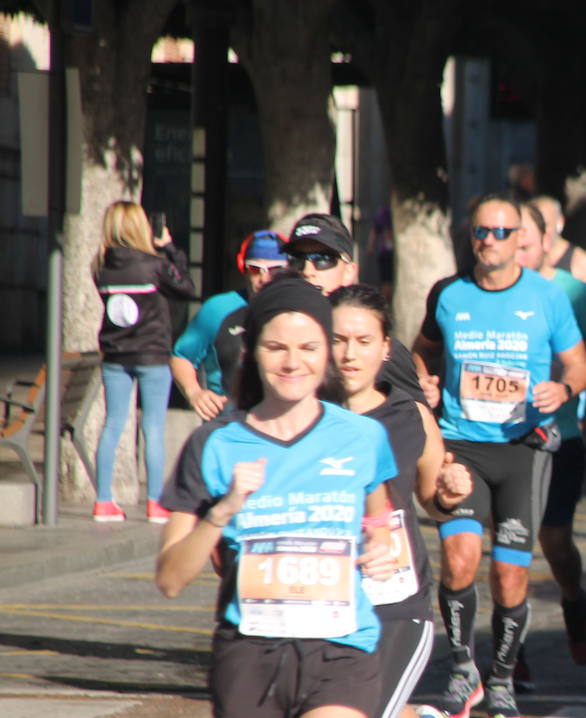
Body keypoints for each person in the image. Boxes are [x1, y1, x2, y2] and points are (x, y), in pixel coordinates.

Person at [155, 275, 397, 718]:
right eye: (277, 347)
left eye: (310, 347)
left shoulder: (359, 437)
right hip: (249, 661)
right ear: (252, 353)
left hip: (341, 654)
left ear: (327, 355)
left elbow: (382, 526)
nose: (294, 362)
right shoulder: (214, 445)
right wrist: (224, 508)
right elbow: (171, 576)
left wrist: (382, 547)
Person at [413, 192, 586, 718]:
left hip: (523, 448)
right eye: (480, 232)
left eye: (499, 232)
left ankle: (503, 679)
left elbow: (578, 365)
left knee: (510, 578)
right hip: (461, 444)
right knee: (460, 559)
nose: (488, 241)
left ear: (520, 240)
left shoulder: (547, 296)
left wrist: (563, 390)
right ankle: (463, 668)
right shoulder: (449, 295)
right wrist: (423, 379)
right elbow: (421, 347)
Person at [325, 284, 469, 718]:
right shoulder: (304, 414)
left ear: (386, 347)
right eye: (338, 339)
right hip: (320, 603)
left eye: (363, 341)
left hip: (395, 606)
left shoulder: (409, 416)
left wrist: (453, 489)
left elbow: (436, 495)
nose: (349, 353)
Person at [512, 201, 586, 685]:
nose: (515, 249)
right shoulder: (482, 293)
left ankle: (574, 600)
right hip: (498, 438)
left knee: (553, 542)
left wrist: (569, 377)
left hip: (560, 435)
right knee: (507, 549)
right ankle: (511, 655)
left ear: (545, 242)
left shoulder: (569, 291)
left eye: (525, 241)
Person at [92, 200, 198, 523]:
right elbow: (186, 288)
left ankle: (103, 501)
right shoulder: (154, 266)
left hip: (115, 355)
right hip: (152, 354)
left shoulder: (100, 266)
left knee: (113, 423)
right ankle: (155, 503)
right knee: (152, 427)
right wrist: (170, 251)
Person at [284, 212, 432, 408]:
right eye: (297, 259)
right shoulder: (273, 340)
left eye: (323, 259)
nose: (307, 270)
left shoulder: (380, 350)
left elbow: (422, 424)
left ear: (349, 272)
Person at [171, 230, 287, 421]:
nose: (264, 278)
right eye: (255, 269)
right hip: (226, 423)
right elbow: (181, 356)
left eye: (275, 270)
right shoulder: (218, 309)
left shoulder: (300, 311)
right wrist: (194, 393)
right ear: (243, 267)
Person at [531, 195, 586, 307]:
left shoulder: (581, 262)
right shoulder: (520, 260)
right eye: (535, 226)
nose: (541, 232)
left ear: (560, 223)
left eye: (545, 225)